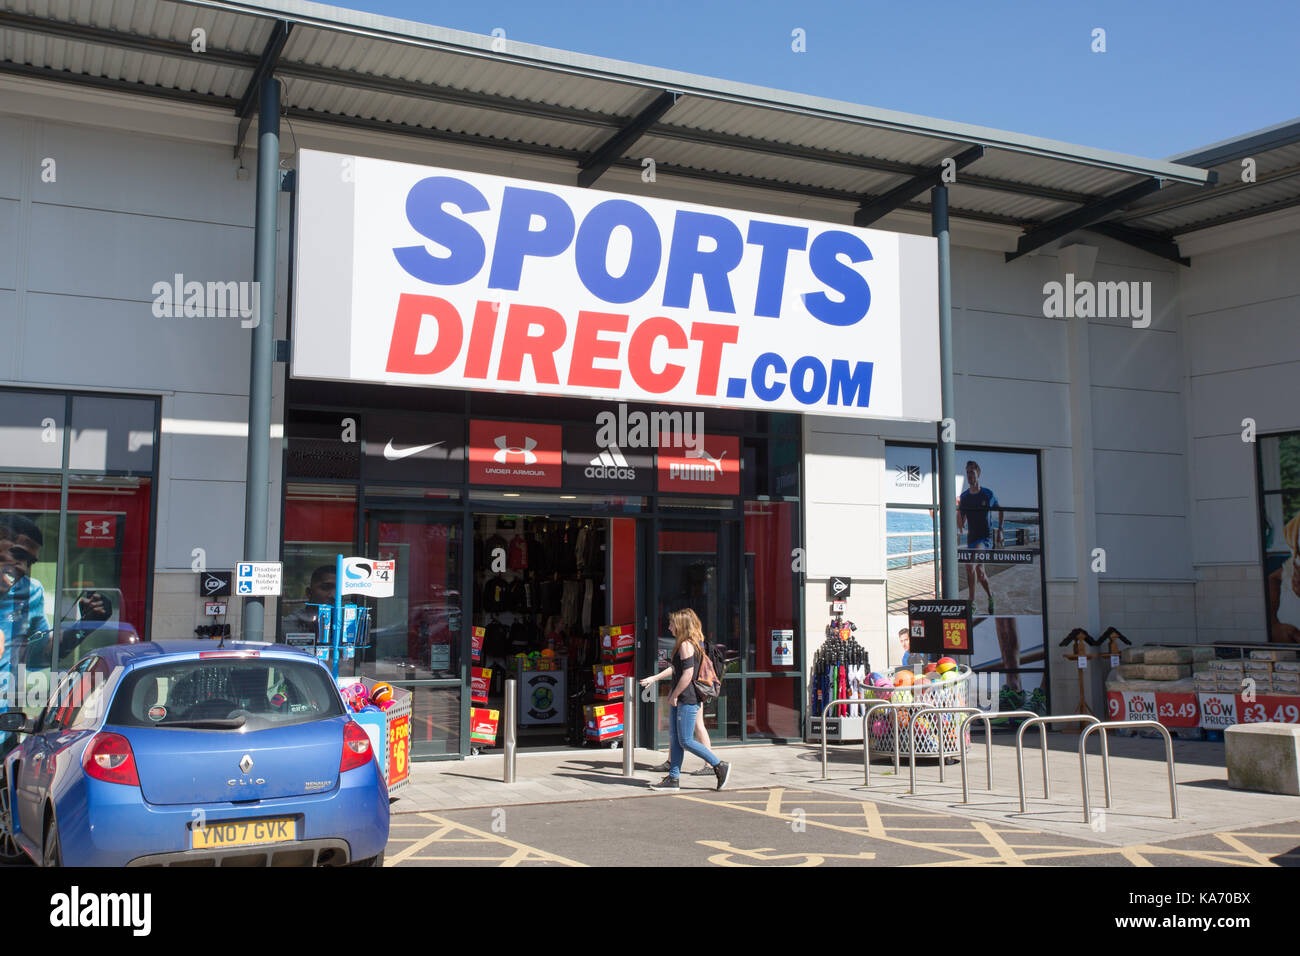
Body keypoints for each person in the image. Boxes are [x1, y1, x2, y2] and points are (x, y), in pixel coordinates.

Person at [647, 608, 730, 792]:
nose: (669, 627)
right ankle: (673, 778)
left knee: (685, 740)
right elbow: (679, 671)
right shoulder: (692, 643)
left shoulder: (686, 644)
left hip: (688, 698)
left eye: (672, 624)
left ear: (681, 625)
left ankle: (718, 765)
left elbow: (688, 674)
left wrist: (674, 694)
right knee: (675, 739)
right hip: (684, 698)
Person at [640, 641, 715, 777]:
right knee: (677, 731)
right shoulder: (692, 642)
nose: (670, 627)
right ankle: (671, 762)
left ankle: (712, 764)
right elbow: (677, 668)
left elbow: (684, 670)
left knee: (696, 728)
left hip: (691, 693)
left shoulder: (690, 643)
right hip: (689, 692)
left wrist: (656, 679)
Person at [0, 514, 52, 698]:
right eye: (18, 554)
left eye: (29, 562)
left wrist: (82, 627)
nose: (22, 567)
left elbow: (38, 657)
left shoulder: (31, 591)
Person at [956, 460, 1004, 615]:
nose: (969, 475)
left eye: (972, 472)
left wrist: (1000, 530)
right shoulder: (964, 496)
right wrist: (957, 510)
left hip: (985, 539)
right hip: (972, 539)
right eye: (967, 472)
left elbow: (1000, 509)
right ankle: (991, 596)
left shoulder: (988, 494)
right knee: (981, 573)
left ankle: (971, 602)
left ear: (978, 473)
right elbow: (961, 525)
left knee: (969, 565)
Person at [282, 564, 337, 637]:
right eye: (326, 587)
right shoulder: (289, 625)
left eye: (339, 591)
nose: (333, 595)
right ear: (309, 592)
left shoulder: (345, 626)